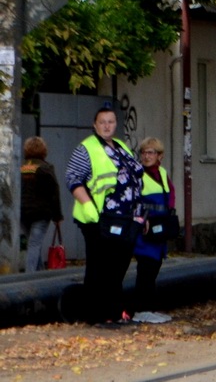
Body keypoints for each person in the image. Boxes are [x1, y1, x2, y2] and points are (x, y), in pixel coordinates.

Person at [66, 106, 143, 326]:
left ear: (116, 124)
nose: (107, 126)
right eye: (102, 122)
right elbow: (73, 178)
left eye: (110, 121)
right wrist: (88, 206)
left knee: (119, 265)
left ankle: (116, 312)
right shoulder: (86, 148)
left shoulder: (120, 147)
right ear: (95, 124)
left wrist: (139, 215)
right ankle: (97, 314)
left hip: (126, 218)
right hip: (100, 218)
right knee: (100, 266)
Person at [131, 137, 174, 324]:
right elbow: (132, 200)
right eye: (144, 152)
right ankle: (141, 310)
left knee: (154, 267)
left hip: (160, 228)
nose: (146, 156)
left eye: (151, 152)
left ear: (160, 156)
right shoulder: (137, 175)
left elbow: (170, 195)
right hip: (145, 229)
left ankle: (149, 308)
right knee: (146, 269)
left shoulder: (162, 173)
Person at [20, 136, 63, 273]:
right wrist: (57, 216)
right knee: (34, 244)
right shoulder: (46, 168)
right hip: (41, 213)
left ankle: (39, 274)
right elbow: (54, 192)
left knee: (33, 244)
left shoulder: (21, 167)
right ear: (43, 150)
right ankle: (29, 277)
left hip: (23, 213)